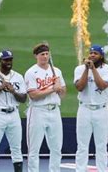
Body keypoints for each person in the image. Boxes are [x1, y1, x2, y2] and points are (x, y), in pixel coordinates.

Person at [0, 49, 27, 172]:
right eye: (6, 60)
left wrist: (13, 91)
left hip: (14, 114)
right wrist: (0, 88)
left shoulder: (18, 77)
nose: (8, 62)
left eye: (10, 59)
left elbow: (23, 98)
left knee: (17, 149)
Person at [25, 43, 66, 172]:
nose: (45, 56)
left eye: (47, 54)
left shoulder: (56, 71)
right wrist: (52, 89)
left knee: (56, 148)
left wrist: (59, 88)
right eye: (42, 54)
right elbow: (33, 95)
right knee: (34, 149)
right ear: (36, 56)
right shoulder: (31, 72)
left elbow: (63, 94)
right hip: (38, 111)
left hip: (54, 110)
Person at [74, 45, 108, 172]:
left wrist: (93, 70)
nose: (92, 55)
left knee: (101, 145)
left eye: (95, 53)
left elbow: (102, 86)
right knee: (82, 145)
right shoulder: (80, 69)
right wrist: (87, 69)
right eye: (91, 53)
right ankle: (80, 170)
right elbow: (80, 87)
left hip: (101, 110)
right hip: (84, 109)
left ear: (101, 56)